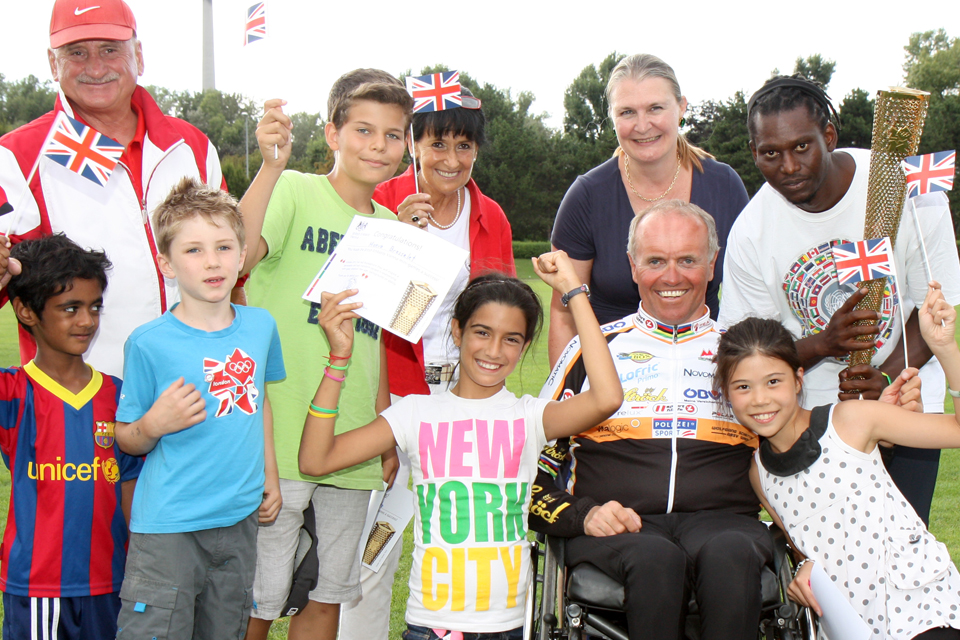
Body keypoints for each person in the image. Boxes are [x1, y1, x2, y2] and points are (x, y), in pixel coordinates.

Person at [299, 250, 622, 640]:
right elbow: (317, 460)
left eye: (511, 339)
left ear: (523, 347)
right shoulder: (416, 413)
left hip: (507, 627)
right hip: (434, 627)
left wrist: (573, 291)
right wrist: (339, 359)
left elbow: (606, 397)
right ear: (457, 332)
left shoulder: (530, 415)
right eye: (482, 332)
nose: (493, 350)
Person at [717, 74, 960, 524]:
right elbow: (743, 349)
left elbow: (931, 307)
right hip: (812, 419)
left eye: (802, 147)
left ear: (828, 136)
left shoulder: (902, 185)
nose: (788, 166)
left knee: (906, 539)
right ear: (754, 153)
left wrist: (885, 380)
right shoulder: (751, 232)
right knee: (834, 553)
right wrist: (820, 345)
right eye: (771, 153)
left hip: (907, 399)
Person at [530, 200, 773, 640]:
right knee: (656, 558)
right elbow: (530, 470)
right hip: (619, 524)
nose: (672, 276)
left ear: (712, 263)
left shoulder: (746, 354)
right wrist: (582, 515)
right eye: (656, 260)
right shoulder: (592, 349)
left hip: (726, 521)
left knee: (731, 552)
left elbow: (798, 449)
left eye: (688, 260)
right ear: (632, 265)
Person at [238, 69, 411, 640]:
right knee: (259, 597)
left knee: (328, 592)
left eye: (392, 135)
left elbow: (379, 337)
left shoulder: (390, 228)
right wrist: (269, 167)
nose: (378, 146)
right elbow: (237, 255)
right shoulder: (295, 190)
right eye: (364, 130)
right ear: (333, 134)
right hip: (282, 429)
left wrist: (384, 425)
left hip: (352, 434)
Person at [339, 83, 516, 639]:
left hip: (463, 401)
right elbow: (365, 313)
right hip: (393, 397)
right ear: (413, 144)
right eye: (437, 144)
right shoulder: (378, 203)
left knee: (460, 540)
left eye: (465, 146)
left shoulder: (491, 217)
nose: (451, 160)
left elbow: (504, 319)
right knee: (372, 551)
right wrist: (401, 239)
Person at [714, 283, 960, 640]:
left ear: (798, 380)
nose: (760, 400)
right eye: (743, 387)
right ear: (725, 393)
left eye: (773, 381)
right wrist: (803, 571)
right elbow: (802, 549)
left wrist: (944, 347)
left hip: (920, 606)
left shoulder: (850, 420)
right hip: (853, 624)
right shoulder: (760, 474)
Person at [0, 0, 226, 379]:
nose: (95, 67)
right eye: (76, 52)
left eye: (109, 49)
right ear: (53, 64)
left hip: (197, 393)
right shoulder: (17, 156)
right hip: (80, 407)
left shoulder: (191, 145)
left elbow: (231, 268)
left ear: (138, 55)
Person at [113, 178, 285, 639]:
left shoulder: (260, 327)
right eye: (193, 250)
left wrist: (270, 476)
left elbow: (259, 404)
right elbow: (124, 435)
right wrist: (153, 424)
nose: (212, 261)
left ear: (243, 251)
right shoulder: (149, 343)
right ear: (166, 263)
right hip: (170, 527)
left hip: (239, 520)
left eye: (224, 246)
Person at [548, 53, 748, 365]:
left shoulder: (725, 186)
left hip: (707, 372)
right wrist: (570, 399)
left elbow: (748, 300)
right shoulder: (586, 196)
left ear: (681, 107)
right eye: (627, 112)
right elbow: (564, 314)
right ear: (613, 118)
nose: (643, 125)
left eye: (655, 108)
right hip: (613, 381)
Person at [0, 234, 142, 640]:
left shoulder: (119, 394)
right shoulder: (14, 393)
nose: (87, 320)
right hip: (40, 588)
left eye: (94, 306)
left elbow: (130, 488)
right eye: (70, 308)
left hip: (112, 582)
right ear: (26, 311)